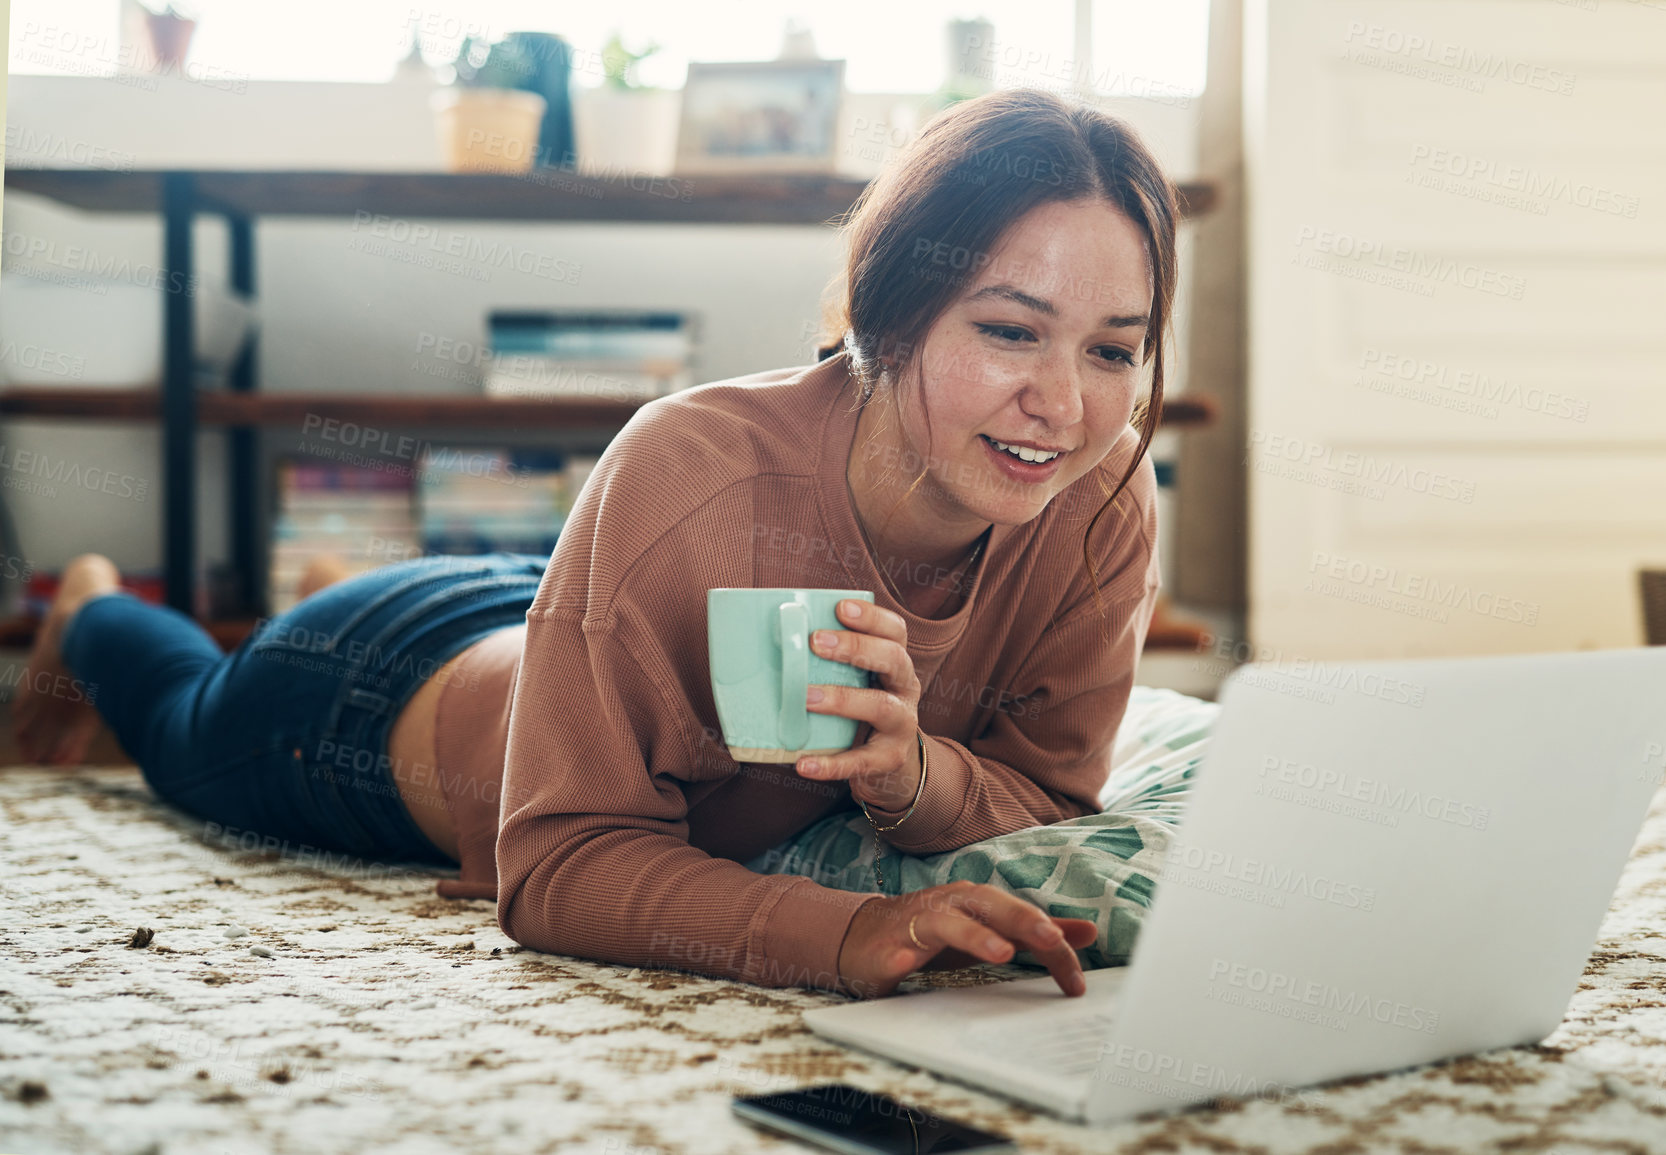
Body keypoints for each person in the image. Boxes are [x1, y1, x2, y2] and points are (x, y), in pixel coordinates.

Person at [14, 86, 1180, 1001]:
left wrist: (917, 776)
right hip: (365, 701)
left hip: (539, 613)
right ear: (883, 316)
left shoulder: (1100, 500)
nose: (1064, 406)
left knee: (560, 630)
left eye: (1113, 351)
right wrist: (850, 930)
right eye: (1010, 330)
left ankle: (343, 581)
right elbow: (560, 868)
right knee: (179, 709)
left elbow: (1046, 795)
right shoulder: (693, 464)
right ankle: (94, 608)